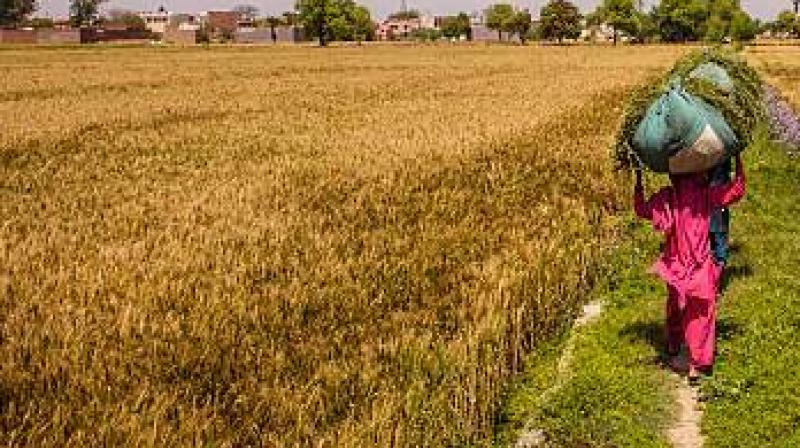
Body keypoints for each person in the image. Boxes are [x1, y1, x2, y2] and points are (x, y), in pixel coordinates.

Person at [634, 155, 746, 382]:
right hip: (700, 264)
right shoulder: (706, 195)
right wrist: (737, 160)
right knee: (702, 311)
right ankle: (695, 363)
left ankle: (675, 345)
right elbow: (736, 191)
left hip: (675, 264)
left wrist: (638, 179)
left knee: (675, 304)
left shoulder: (668, 196)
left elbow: (642, 209)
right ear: (700, 174)